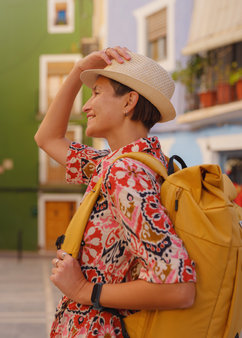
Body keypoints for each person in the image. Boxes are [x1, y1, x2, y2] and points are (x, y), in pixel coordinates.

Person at [34, 47, 197, 337]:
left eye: (96, 93)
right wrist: (76, 72)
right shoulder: (119, 165)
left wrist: (85, 290)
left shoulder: (125, 173)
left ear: (129, 102)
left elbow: (179, 288)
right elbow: (47, 138)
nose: (86, 105)